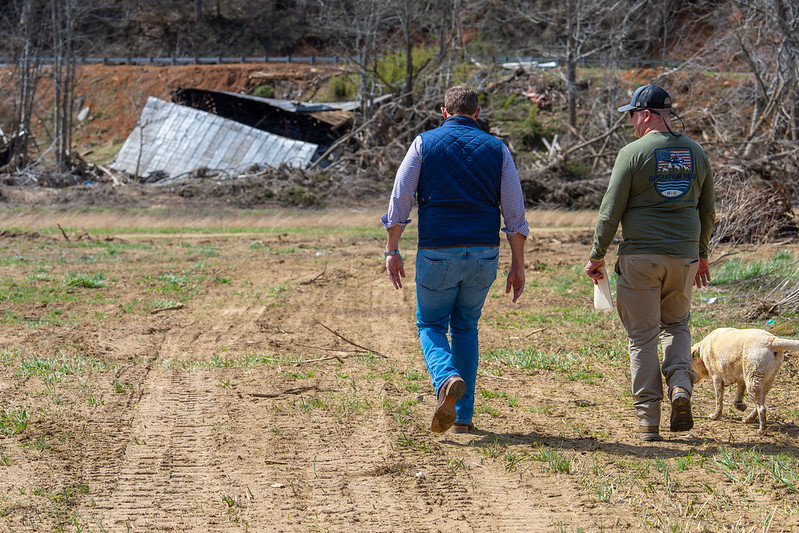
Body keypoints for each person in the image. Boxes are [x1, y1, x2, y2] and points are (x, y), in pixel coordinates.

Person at [382, 84, 528, 434]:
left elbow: (401, 198)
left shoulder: (423, 143)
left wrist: (392, 248)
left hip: (437, 250)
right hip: (483, 252)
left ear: (443, 112)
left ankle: (446, 378)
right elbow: (514, 211)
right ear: (478, 114)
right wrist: (518, 263)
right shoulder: (499, 149)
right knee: (465, 327)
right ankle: (462, 416)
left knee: (431, 325)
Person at [584, 84, 715, 442]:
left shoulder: (632, 153)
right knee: (676, 325)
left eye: (631, 115)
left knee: (642, 339)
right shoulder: (696, 152)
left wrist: (597, 255)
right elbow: (708, 211)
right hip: (684, 258)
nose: (630, 122)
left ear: (644, 114)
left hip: (641, 258)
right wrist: (701, 254)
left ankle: (648, 421)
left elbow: (610, 212)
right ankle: (680, 388)